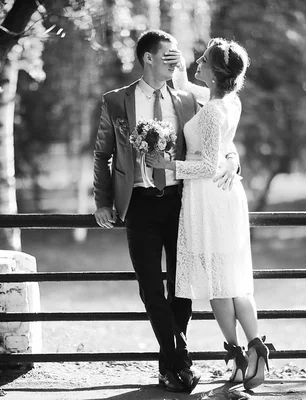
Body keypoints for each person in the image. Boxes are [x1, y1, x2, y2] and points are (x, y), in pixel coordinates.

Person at [92, 30, 240, 393]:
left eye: (179, 56)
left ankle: (170, 368)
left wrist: (234, 161)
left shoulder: (190, 99)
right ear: (148, 58)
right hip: (138, 203)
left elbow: (222, 137)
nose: (176, 59)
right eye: (169, 55)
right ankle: (181, 359)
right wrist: (102, 201)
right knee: (150, 288)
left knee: (182, 287)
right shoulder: (116, 101)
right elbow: (102, 154)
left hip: (180, 202)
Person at [147, 38, 270, 390]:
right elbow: (187, 88)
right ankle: (248, 350)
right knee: (230, 279)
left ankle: (240, 353)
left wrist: (168, 164)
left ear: (215, 73)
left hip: (210, 197)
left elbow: (205, 165)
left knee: (219, 280)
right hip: (220, 195)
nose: (196, 62)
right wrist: (179, 64)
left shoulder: (214, 110)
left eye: (202, 59)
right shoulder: (226, 101)